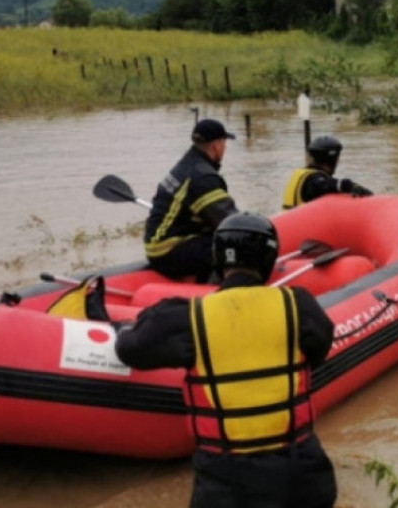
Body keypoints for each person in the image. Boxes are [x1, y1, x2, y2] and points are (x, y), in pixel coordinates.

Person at [116, 213, 338, 508]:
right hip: (302, 477)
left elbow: (131, 349)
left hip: (228, 486)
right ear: (269, 259)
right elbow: (319, 349)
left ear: (218, 260)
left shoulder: (189, 318)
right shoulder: (298, 305)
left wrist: (123, 326)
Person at [143, 118, 239, 282]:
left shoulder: (187, 164)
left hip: (157, 245)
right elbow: (230, 222)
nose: (225, 149)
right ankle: (219, 290)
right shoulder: (203, 178)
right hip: (169, 251)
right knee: (235, 246)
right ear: (216, 145)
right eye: (224, 144)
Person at [282, 135, 372, 209]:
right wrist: (348, 186)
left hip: (285, 227)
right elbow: (324, 185)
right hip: (299, 229)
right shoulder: (314, 180)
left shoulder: (302, 174)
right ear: (332, 160)